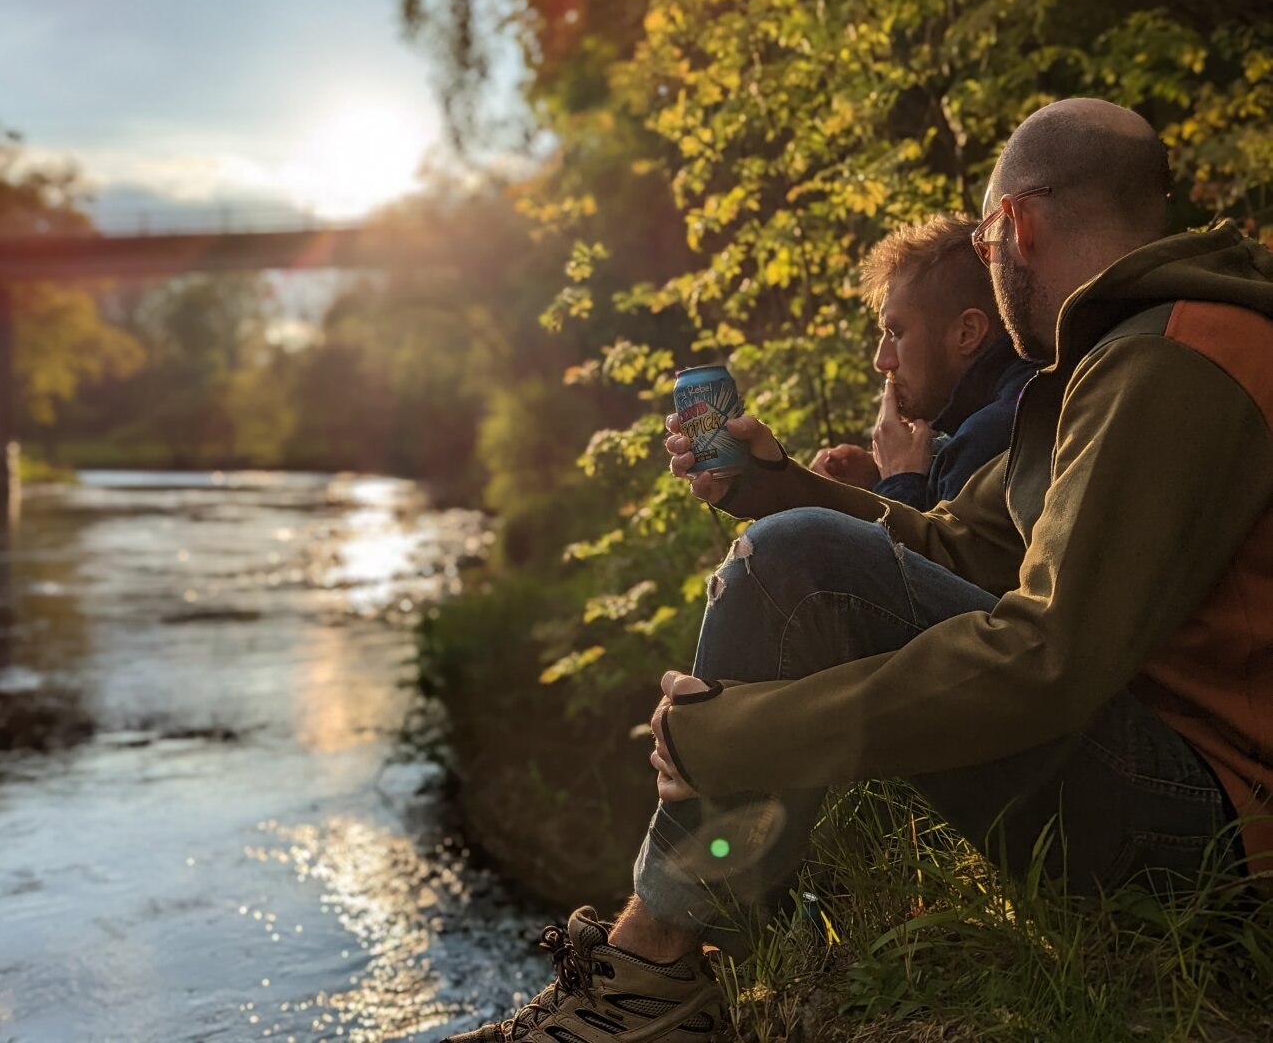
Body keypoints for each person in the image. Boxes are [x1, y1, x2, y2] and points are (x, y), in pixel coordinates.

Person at [442, 98, 1273, 1043]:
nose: (993, 270)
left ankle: (650, 977)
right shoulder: (1133, 355)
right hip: (1166, 792)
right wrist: (778, 487)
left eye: (988, 243)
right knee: (795, 546)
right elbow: (969, 551)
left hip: (1219, 842)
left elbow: (1047, 659)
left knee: (794, 562)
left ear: (1017, 226)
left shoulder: (1174, 363)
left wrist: (741, 733)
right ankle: (657, 965)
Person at [808, 214, 1040, 509]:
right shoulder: (1021, 395)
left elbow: (907, 555)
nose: (882, 361)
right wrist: (880, 475)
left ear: (967, 333)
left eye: (896, 333)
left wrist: (900, 480)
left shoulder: (986, 440)